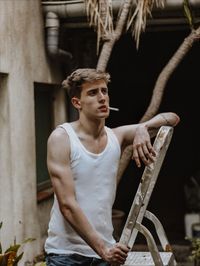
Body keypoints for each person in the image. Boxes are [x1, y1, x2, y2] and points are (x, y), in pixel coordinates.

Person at [44, 68, 180, 266]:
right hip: (66, 255)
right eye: (93, 93)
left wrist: (144, 127)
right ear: (77, 102)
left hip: (106, 253)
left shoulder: (117, 136)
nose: (102, 98)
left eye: (104, 91)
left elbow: (173, 118)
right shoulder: (62, 139)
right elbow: (67, 205)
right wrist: (104, 250)